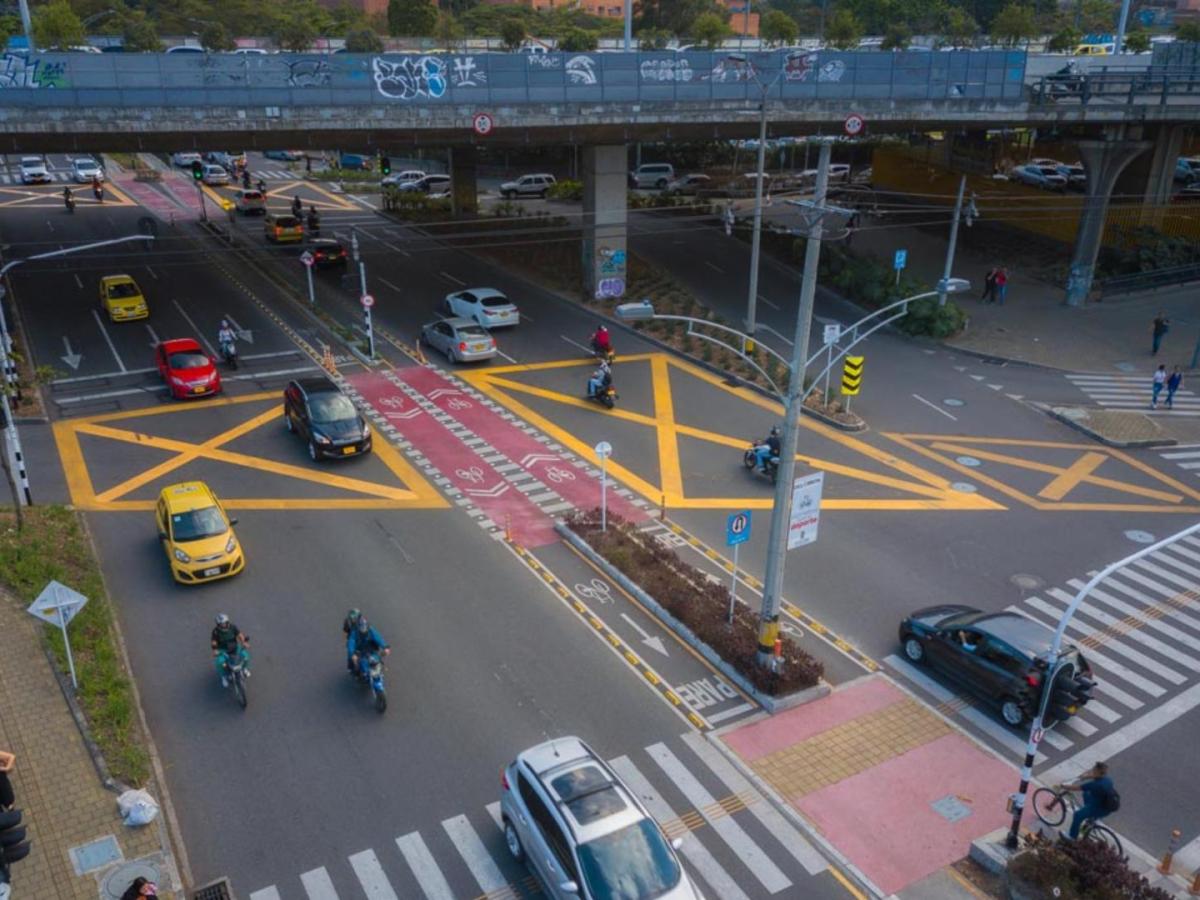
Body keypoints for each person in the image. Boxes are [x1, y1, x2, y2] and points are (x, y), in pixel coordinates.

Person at [1063, 761, 1117, 839]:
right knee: (1086, 794)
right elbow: (1095, 777)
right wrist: (1084, 777)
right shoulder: (1107, 779)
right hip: (1106, 805)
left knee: (1077, 815)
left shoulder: (1095, 785)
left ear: (1098, 772)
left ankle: (1072, 836)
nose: (1092, 771)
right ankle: (1092, 819)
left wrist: (1064, 786)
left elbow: (1076, 788)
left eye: (1094, 770)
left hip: (1099, 808)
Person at [210, 614, 250, 688]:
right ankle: (224, 677)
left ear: (227, 622)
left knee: (245, 656)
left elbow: (240, 635)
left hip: (235, 647)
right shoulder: (215, 632)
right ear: (218, 624)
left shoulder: (233, 627)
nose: (223, 625)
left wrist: (244, 642)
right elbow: (214, 641)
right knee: (220, 662)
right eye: (221, 624)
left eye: (225, 623)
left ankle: (244, 669)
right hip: (223, 650)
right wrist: (215, 650)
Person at [347, 615, 389, 680]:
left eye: (364, 626)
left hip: (370, 648)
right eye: (361, 627)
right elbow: (351, 643)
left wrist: (385, 646)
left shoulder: (370, 630)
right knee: (357, 662)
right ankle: (356, 672)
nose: (363, 628)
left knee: (377, 658)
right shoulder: (354, 633)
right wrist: (352, 654)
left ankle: (380, 666)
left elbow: (378, 637)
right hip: (359, 650)